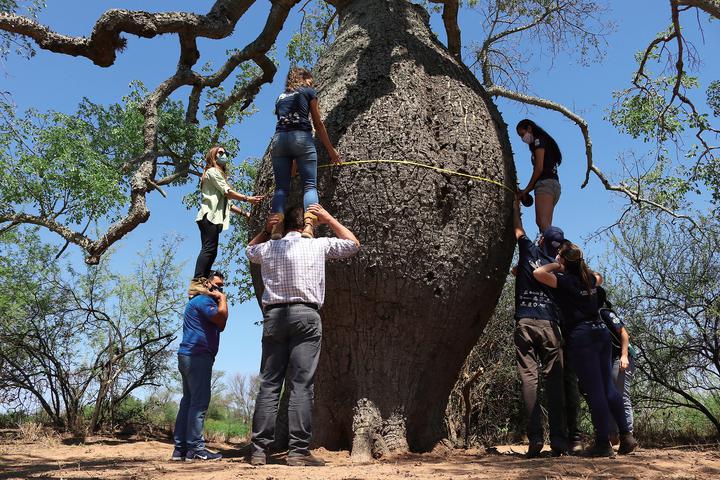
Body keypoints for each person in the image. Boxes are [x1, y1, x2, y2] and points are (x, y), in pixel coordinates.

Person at [246, 204, 359, 467]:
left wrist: (266, 229)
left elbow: (250, 251)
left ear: (283, 226)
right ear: (308, 224)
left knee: (269, 385)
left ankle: (259, 451)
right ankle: (297, 452)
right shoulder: (317, 245)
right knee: (301, 385)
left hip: (274, 317)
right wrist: (329, 218)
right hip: (306, 316)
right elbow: (353, 244)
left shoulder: (269, 248)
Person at [533, 243, 638, 457]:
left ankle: (602, 443)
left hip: (582, 338)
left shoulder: (564, 281)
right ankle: (627, 437)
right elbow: (599, 276)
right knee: (609, 387)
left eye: (559, 255)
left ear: (563, 260)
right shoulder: (589, 280)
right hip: (601, 335)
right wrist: (576, 264)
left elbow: (538, 273)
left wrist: (556, 265)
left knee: (596, 391)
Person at [511, 197, 568, 457]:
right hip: (549, 325)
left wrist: (515, 208)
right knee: (555, 382)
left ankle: (535, 438)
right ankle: (559, 441)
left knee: (529, 379)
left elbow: (518, 231)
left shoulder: (528, 251)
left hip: (525, 321)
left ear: (542, 240)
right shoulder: (561, 269)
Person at [269, 67, 341, 240]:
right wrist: (331, 151)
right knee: (309, 185)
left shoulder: (280, 98)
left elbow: (285, 124)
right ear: (303, 78)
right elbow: (317, 123)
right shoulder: (308, 91)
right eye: (310, 80)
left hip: (279, 141)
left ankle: (277, 227)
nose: (312, 83)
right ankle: (308, 227)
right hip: (301, 138)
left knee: (280, 189)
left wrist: (293, 161)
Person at [190, 145, 264, 296]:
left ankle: (202, 282)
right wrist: (248, 199)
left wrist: (246, 214)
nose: (224, 155)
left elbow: (228, 204)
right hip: (208, 216)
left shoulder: (219, 175)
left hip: (213, 219)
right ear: (213, 156)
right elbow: (228, 192)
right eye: (220, 153)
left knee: (212, 251)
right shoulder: (211, 172)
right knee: (208, 249)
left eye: (225, 153)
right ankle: (197, 282)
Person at [172, 271, 229, 462]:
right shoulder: (204, 301)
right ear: (207, 285)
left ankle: (180, 450)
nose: (219, 289)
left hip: (187, 355)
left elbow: (218, 324)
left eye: (222, 287)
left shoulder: (194, 302)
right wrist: (223, 299)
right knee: (199, 402)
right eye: (217, 285)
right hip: (197, 355)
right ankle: (196, 448)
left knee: (188, 402)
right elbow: (221, 320)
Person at [597, 286, 636, 445]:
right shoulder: (590, 318)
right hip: (608, 360)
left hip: (621, 356)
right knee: (609, 396)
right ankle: (613, 436)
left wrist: (624, 355)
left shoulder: (605, 313)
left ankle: (628, 435)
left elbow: (624, 334)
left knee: (620, 396)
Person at [516, 119, 562, 233]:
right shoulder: (545, 141)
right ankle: (548, 249)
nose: (522, 138)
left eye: (522, 134)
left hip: (545, 185)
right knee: (545, 227)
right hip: (552, 185)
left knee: (542, 223)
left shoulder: (538, 141)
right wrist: (526, 191)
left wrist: (526, 189)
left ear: (529, 128)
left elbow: (539, 169)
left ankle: (564, 249)